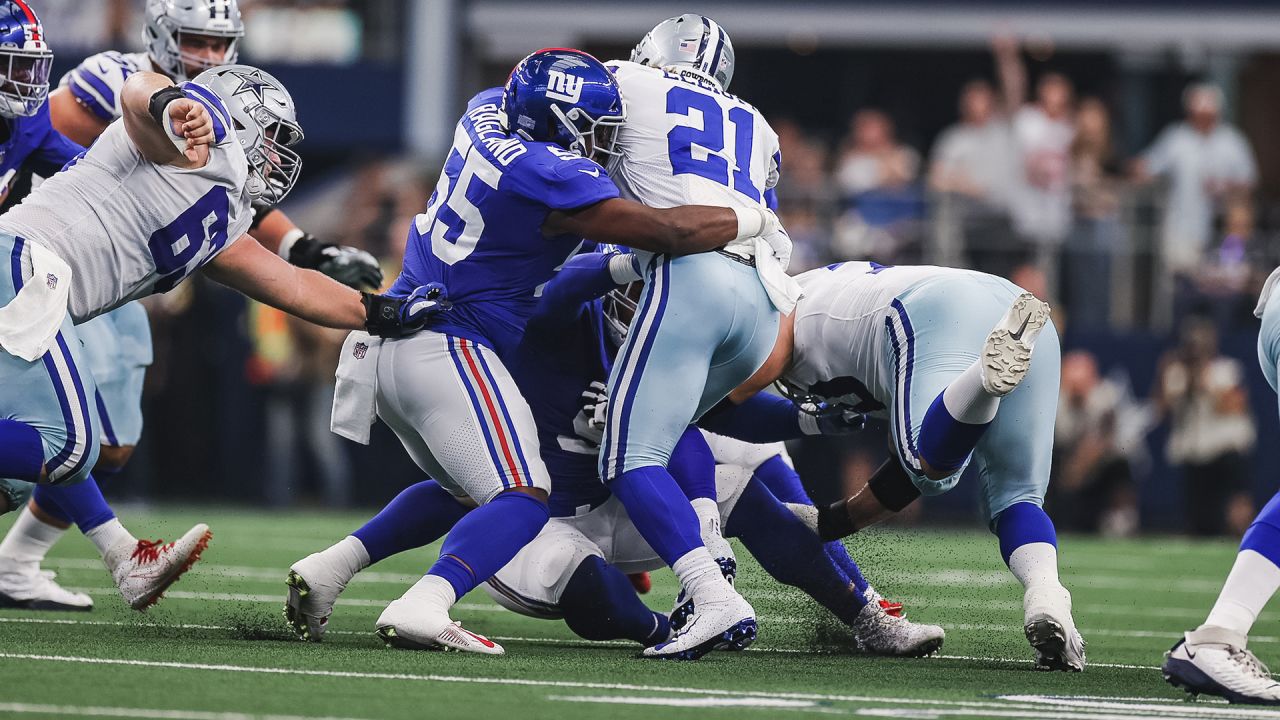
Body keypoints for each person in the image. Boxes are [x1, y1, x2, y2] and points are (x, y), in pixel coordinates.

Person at [290, 47, 786, 655]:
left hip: (398, 333)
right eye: (598, 129)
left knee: (465, 492)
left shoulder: (485, 110)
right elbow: (671, 231)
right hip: (448, 346)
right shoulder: (552, 173)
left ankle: (328, 569)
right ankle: (425, 603)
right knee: (525, 496)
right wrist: (753, 219)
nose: (605, 142)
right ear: (563, 124)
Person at [0, 62, 441, 606]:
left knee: (17, 475)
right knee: (68, 446)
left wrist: (379, 313)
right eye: (273, 137)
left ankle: (116, 558)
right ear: (240, 118)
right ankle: (119, 558)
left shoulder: (227, 213)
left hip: (38, 287)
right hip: (24, 265)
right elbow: (139, 92)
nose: (277, 156)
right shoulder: (191, 137)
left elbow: (294, 286)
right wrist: (172, 106)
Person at [731, 261, 1085, 672]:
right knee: (1016, 497)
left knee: (929, 461)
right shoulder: (816, 289)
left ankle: (981, 380)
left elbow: (737, 399)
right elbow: (912, 467)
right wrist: (830, 522)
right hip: (1010, 303)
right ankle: (1047, 598)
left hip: (930, 310)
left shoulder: (774, 309)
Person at [593, 14, 800, 660]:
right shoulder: (760, 125)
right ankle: (709, 550)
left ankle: (710, 592)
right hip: (761, 300)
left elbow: (576, 152)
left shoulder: (625, 80)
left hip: (692, 280)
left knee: (625, 456)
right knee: (677, 424)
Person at [1161, 266, 1280, 705]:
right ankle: (1215, 638)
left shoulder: (1223, 369)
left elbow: (1230, 403)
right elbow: (1165, 403)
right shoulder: (1186, 370)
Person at [1131, 83, 1257, 277]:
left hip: (1223, 234)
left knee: (1221, 287)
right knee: (1183, 285)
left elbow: (1249, 181)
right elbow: (1145, 166)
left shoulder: (1232, 141)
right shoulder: (1177, 139)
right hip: (1182, 229)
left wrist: (1224, 188)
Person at [1153, 316, 1255, 536]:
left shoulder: (1225, 369)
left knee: (1231, 501)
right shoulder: (1177, 373)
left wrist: (1205, 384)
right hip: (1194, 449)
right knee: (1197, 511)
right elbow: (1161, 410)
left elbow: (1235, 406)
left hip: (1223, 447)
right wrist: (1164, 375)